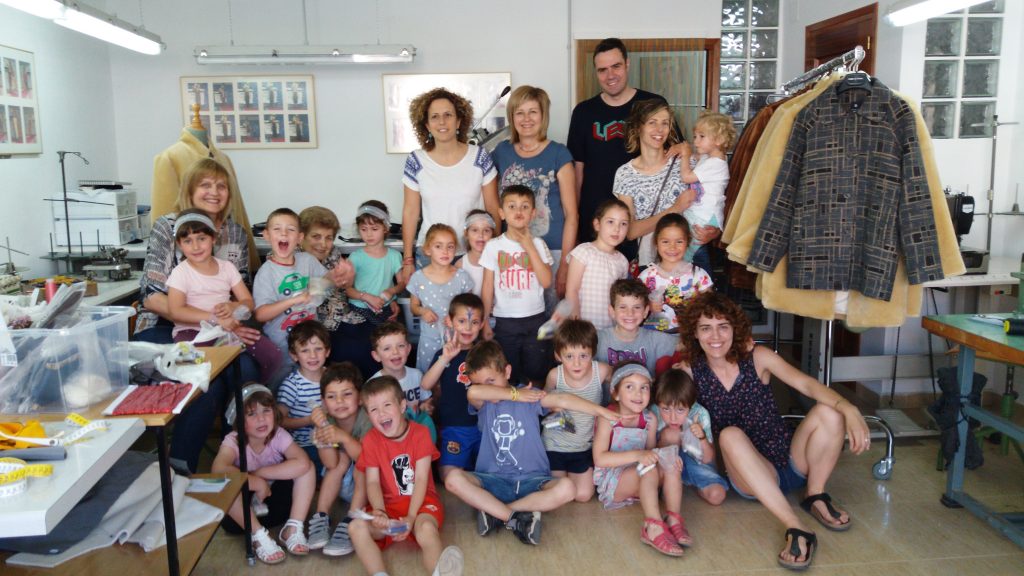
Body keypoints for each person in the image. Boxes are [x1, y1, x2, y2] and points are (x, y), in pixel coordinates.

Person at [674, 292, 871, 570]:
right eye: (705, 328)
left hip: (789, 459)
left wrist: (848, 407)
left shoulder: (757, 357)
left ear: (735, 329)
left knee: (830, 411)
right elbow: (668, 407)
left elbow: (807, 385)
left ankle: (815, 493)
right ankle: (795, 525)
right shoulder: (692, 371)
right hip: (751, 476)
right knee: (730, 434)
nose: (715, 336)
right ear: (694, 334)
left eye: (723, 326)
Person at [137, 158, 262, 473]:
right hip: (167, 325)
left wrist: (233, 319)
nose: (214, 192)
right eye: (205, 185)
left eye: (221, 186)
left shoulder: (233, 231)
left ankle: (241, 460)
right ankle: (179, 467)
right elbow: (151, 296)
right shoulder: (168, 226)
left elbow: (241, 294)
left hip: (221, 328)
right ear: (190, 190)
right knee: (207, 380)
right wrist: (210, 319)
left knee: (247, 369)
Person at [444, 340, 618, 546]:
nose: (486, 387)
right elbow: (473, 392)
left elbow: (562, 400)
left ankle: (497, 513)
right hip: (492, 480)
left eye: (491, 380)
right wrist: (516, 395)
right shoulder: (485, 403)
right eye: (480, 383)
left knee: (568, 489)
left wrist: (602, 412)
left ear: (507, 371)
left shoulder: (531, 396)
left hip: (532, 481)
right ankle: (516, 518)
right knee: (452, 478)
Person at [567, 37, 683, 258]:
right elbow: (577, 172)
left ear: (627, 64)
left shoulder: (653, 104)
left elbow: (678, 154)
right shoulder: (583, 112)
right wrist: (574, 223)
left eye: (616, 66)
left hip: (645, 224)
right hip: (597, 222)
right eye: (602, 70)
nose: (610, 75)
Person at [349, 376, 465, 576]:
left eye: (387, 405)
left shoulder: (421, 434)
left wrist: (411, 516)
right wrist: (379, 512)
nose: (381, 413)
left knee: (426, 529)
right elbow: (373, 482)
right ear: (368, 415)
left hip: (422, 504)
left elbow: (421, 479)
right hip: (388, 507)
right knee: (356, 527)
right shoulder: (370, 440)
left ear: (402, 406)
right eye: (374, 409)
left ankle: (439, 572)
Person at [165, 209, 282, 382]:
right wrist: (215, 319)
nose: (196, 246)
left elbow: (248, 302)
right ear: (180, 245)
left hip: (226, 329)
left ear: (213, 238)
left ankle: (254, 394)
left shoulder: (227, 267)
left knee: (274, 356)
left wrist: (234, 306)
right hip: (191, 332)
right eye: (188, 241)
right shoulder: (180, 273)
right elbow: (176, 312)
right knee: (192, 373)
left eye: (201, 239)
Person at [491, 85, 578, 305]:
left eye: (533, 112)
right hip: (511, 250)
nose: (526, 119)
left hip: (552, 249)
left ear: (543, 115)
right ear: (512, 117)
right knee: (518, 313)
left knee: (552, 318)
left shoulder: (559, 153)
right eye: (519, 112)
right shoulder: (501, 152)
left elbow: (572, 215)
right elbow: (487, 194)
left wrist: (565, 264)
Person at [212, 384, 316, 564]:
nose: (261, 419)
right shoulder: (233, 441)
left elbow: (302, 462)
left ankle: (292, 528)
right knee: (226, 484)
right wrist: (256, 482)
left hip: (276, 505)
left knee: (308, 468)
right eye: (251, 414)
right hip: (242, 518)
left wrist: (260, 474)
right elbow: (218, 470)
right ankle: (258, 536)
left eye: (266, 411)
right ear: (238, 420)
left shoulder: (278, 435)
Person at [592, 362, 689, 557]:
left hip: (642, 475)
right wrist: (638, 455)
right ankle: (653, 527)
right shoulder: (608, 418)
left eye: (644, 388)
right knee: (649, 468)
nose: (638, 394)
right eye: (630, 387)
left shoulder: (650, 419)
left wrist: (666, 458)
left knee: (670, 462)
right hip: (614, 481)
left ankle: (673, 519)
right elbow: (600, 459)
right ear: (615, 393)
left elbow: (650, 451)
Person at [401, 87, 500, 277]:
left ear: (459, 121)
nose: (442, 122)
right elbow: (410, 211)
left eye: (448, 115)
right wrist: (407, 259)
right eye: (435, 117)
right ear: (427, 125)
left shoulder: (480, 157)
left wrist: (493, 250)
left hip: (474, 253)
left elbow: (493, 208)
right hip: (430, 255)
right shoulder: (416, 160)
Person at [254, 208, 346, 379]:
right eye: (277, 229)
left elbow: (326, 280)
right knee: (281, 384)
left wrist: (336, 276)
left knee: (314, 380)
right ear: (266, 235)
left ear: (299, 237)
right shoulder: (266, 273)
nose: (284, 234)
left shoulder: (307, 260)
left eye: (290, 229)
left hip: (312, 341)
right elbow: (261, 314)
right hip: (282, 344)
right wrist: (293, 301)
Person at [481, 185, 554, 386]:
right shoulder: (493, 246)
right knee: (508, 373)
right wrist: (485, 321)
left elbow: (547, 281)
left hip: (535, 319)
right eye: (512, 206)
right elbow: (487, 287)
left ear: (533, 213)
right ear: (502, 213)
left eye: (524, 206)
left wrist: (529, 246)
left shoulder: (538, 244)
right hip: (505, 321)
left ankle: (534, 404)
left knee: (536, 371)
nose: (518, 211)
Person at [613, 99, 697, 267]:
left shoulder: (684, 161)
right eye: (652, 122)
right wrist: (675, 208)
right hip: (651, 266)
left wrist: (713, 229)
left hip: (691, 259)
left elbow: (713, 193)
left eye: (665, 123)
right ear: (638, 127)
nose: (660, 129)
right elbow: (631, 232)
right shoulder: (625, 174)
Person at [542, 319, 612, 502]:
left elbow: (622, 380)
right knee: (559, 490)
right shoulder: (555, 375)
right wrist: (552, 408)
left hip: (583, 447)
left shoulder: (601, 371)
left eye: (583, 355)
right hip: (554, 445)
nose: (577, 363)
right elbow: (543, 406)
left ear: (593, 353)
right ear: (558, 355)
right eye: (569, 356)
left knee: (583, 495)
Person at [297, 206, 372, 377]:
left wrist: (348, 279)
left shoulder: (334, 254)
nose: (323, 244)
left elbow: (346, 287)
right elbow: (303, 298)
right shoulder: (292, 258)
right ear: (302, 236)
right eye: (316, 236)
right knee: (357, 352)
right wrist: (327, 281)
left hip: (345, 316)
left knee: (377, 342)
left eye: (329, 238)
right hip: (316, 325)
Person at [309, 362, 373, 557]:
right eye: (331, 396)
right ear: (323, 402)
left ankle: (351, 520)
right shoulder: (327, 420)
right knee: (341, 459)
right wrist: (321, 429)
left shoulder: (367, 418)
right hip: (343, 484)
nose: (339, 401)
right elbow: (330, 464)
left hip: (370, 486)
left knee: (360, 467)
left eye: (347, 394)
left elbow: (366, 459)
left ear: (360, 398)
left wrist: (344, 437)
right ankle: (321, 516)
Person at [421, 293, 486, 480]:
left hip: (484, 426)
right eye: (462, 321)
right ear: (449, 321)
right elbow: (426, 384)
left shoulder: (485, 353)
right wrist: (445, 358)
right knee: (448, 476)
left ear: (482, 324)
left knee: (489, 472)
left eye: (474, 322)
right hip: (454, 427)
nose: (468, 328)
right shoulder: (443, 354)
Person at [654, 368, 727, 506]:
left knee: (717, 495)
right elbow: (649, 449)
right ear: (658, 404)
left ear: (691, 405)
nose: (673, 417)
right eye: (666, 409)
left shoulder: (701, 414)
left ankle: (694, 483)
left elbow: (707, 459)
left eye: (680, 410)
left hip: (695, 461)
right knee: (671, 433)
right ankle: (667, 481)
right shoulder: (654, 411)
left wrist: (702, 437)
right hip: (666, 461)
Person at [407, 223, 474, 372]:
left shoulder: (462, 277)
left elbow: (470, 307)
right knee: (430, 377)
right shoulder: (418, 278)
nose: (445, 251)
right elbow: (413, 307)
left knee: (454, 376)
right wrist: (423, 311)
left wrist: (456, 316)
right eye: (438, 246)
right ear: (427, 249)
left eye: (450, 246)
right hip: (429, 342)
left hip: (457, 341)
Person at [678, 111, 735, 274]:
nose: (695, 141)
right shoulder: (708, 158)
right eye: (695, 136)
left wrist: (685, 155)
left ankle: (705, 283)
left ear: (719, 140)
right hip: (700, 214)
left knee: (692, 255)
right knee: (690, 252)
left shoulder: (716, 164)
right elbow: (697, 158)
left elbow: (686, 177)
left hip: (704, 217)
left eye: (701, 136)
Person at [637, 213, 713, 333]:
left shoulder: (698, 275)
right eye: (665, 241)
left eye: (679, 241)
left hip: (689, 336)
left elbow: (711, 306)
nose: (672, 247)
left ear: (687, 242)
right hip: (656, 337)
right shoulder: (645, 277)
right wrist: (649, 305)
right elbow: (635, 307)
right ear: (656, 243)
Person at [564, 198, 630, 328]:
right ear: (597, 225)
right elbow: (572, 291)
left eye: (623, 224)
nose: (617, 229)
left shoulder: (622, 261)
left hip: (610, 329)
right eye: (610, 222)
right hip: (584, 328)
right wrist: (577, 325)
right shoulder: (584, 252)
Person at [276, 320, 331, 473]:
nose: (313, 355)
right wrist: (308, 420)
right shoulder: (292, 385)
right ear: (294, 355)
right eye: (305, 350)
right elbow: (279, 420)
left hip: (332, 438)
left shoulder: (332, 377)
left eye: (318, 349)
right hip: (305, 445)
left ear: (327, 351)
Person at [370, 321, 437, 442]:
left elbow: (426, 400)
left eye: (400, 346)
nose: (395, 352)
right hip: (391, 438)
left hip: (417, 434)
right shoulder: (373, 384)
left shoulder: (416, 375)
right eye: (387, 348)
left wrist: (426, 406)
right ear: (376, 356)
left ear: (408, 349)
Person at [596, 279, 677, 375]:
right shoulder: (597, 339)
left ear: (645, 311)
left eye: (637, 307)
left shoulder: (657, 340)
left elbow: (686, 344)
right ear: (612, 311)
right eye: (623, 307)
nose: (630, 313)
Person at [347, 200, 405, 325]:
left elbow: (402, 284)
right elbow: (347, 290)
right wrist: (367, 297)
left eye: (374, 229)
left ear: (385, 228)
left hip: (385, 308)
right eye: (364, 229)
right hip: (360, 309)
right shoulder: (355, 257)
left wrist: (392, 293)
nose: (369, 234)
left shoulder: (395, 256)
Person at [455, 209, 495, 297]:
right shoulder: (460, 265)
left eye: (486, 230)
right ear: (466, 233)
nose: (481, 235)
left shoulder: (497, 262)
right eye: (475, 230)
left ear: (492, 234)